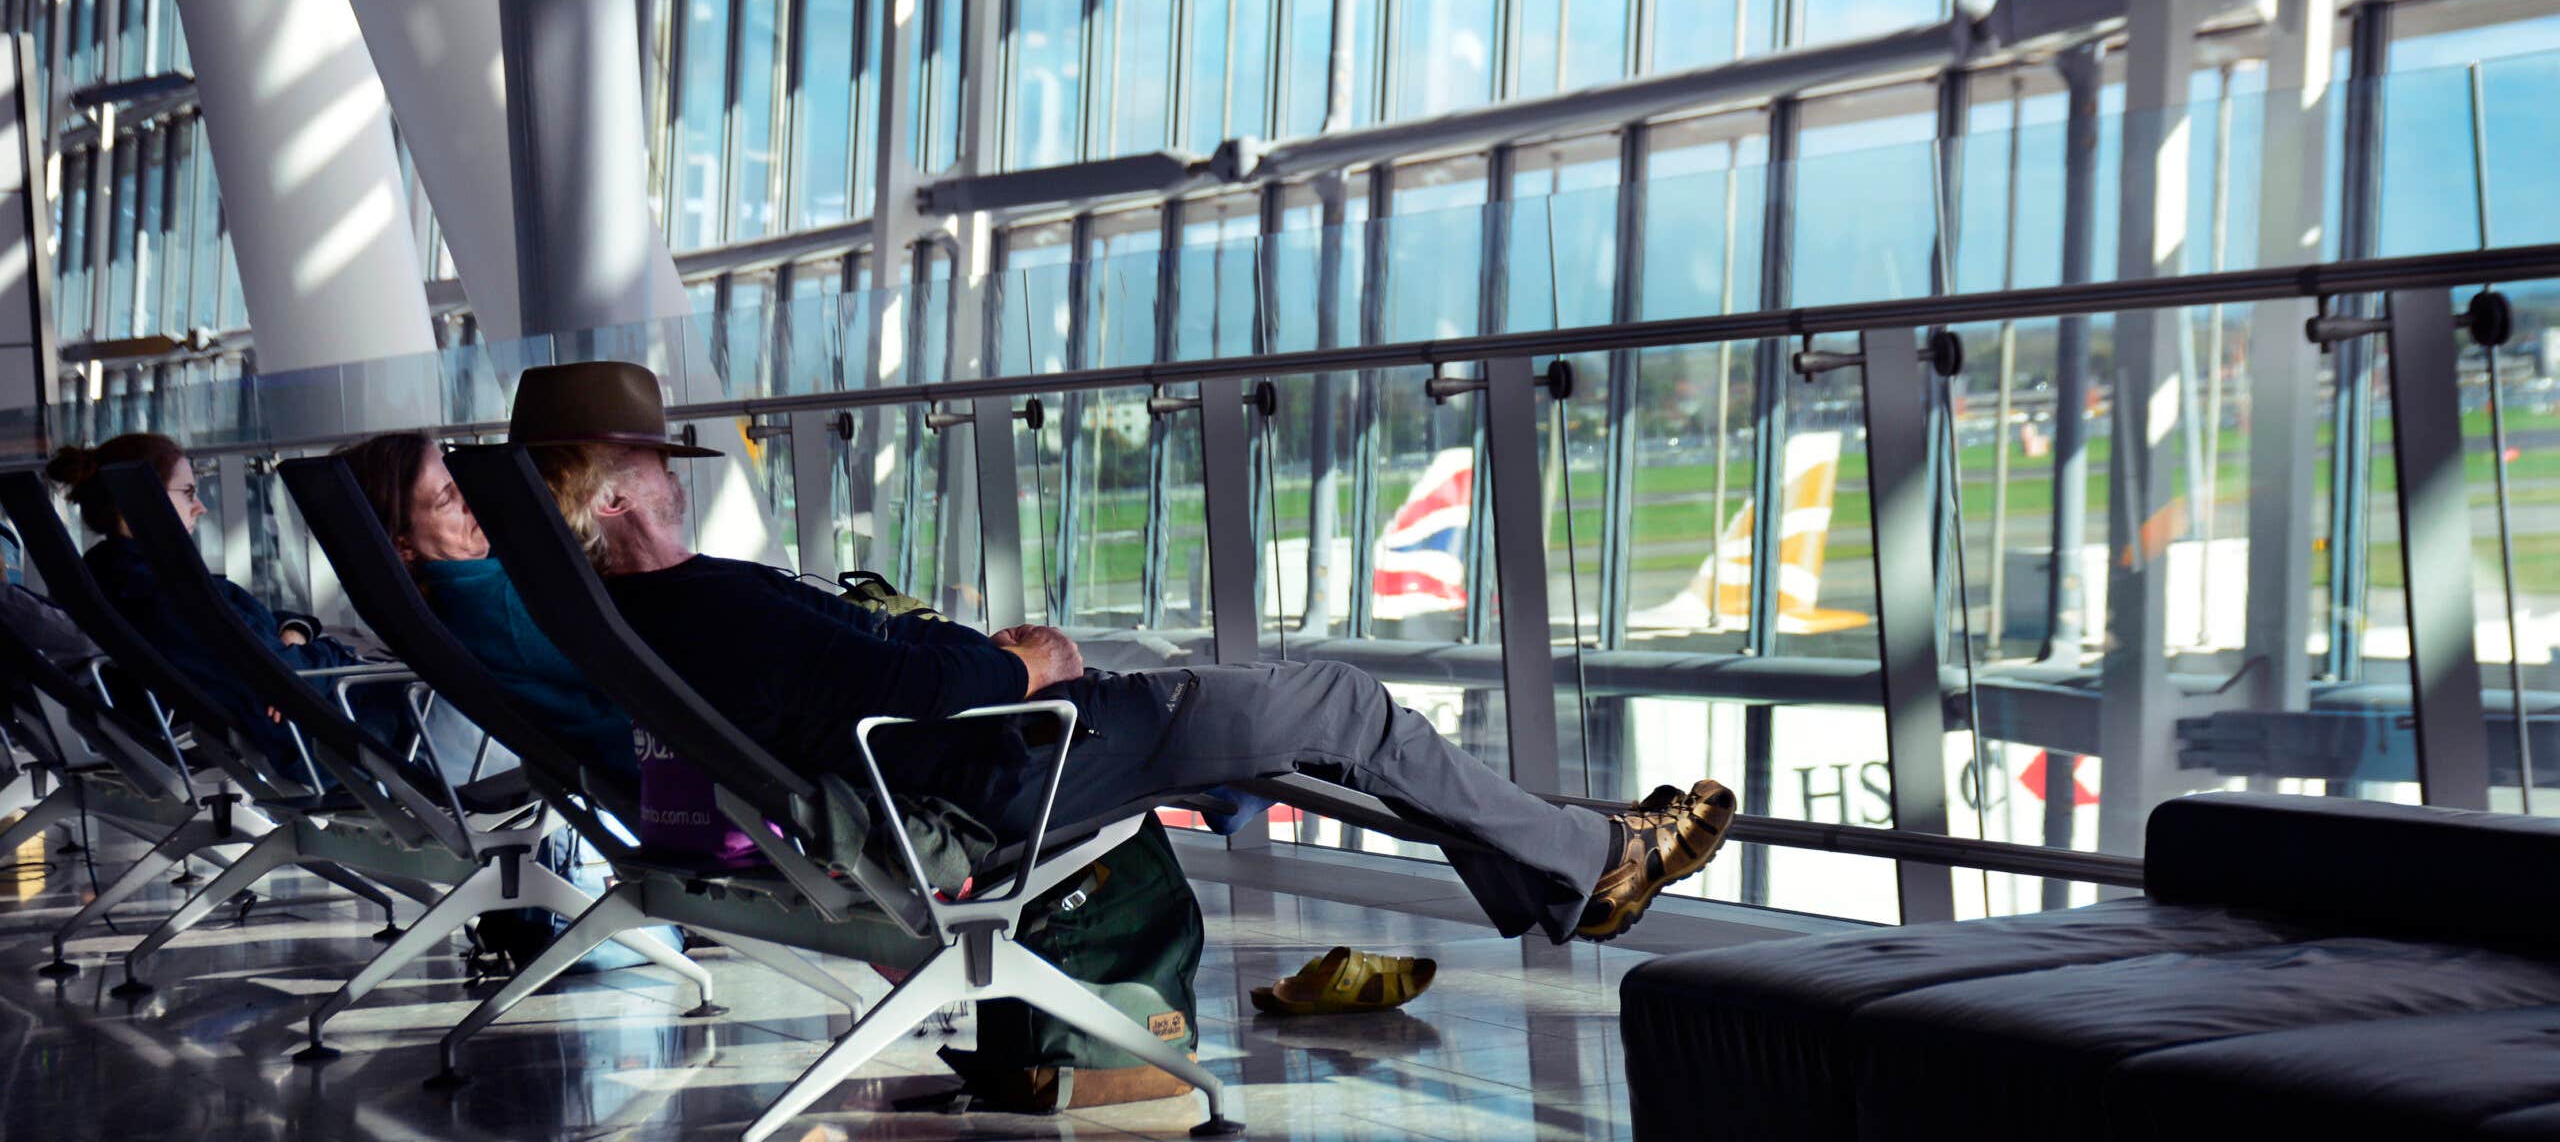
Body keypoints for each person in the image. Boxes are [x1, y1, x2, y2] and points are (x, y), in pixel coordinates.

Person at [512, 361, 1735, 945]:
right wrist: (1025, 667)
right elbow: (914, 687)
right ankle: (1585, 856)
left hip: (962, 758)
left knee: (1298, 742)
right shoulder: (708, 608)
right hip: (1002, 766)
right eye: (657, 463)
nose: (675, 476)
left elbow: (858, 680)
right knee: (1340, 706)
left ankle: (1574, 864)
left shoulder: (650, 618)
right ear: (614, 497)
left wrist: (971, 666)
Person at [46, 434, 414, 777]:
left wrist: (296, 634)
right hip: (332, 740)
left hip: (303, 707)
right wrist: (316, 657)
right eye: (188, 493)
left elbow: (262, 647)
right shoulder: (164, 595)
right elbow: (279, 676)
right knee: (418, 691)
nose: (200, 507)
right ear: (138, 501)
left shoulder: (109, 578)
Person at [334, 432, 634, 790]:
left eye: (458, 482)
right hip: (643, 758)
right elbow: (628, 665)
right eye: (447, 499)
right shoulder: (498, 604)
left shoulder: (442, 599)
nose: (468, 499)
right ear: (405, 545)